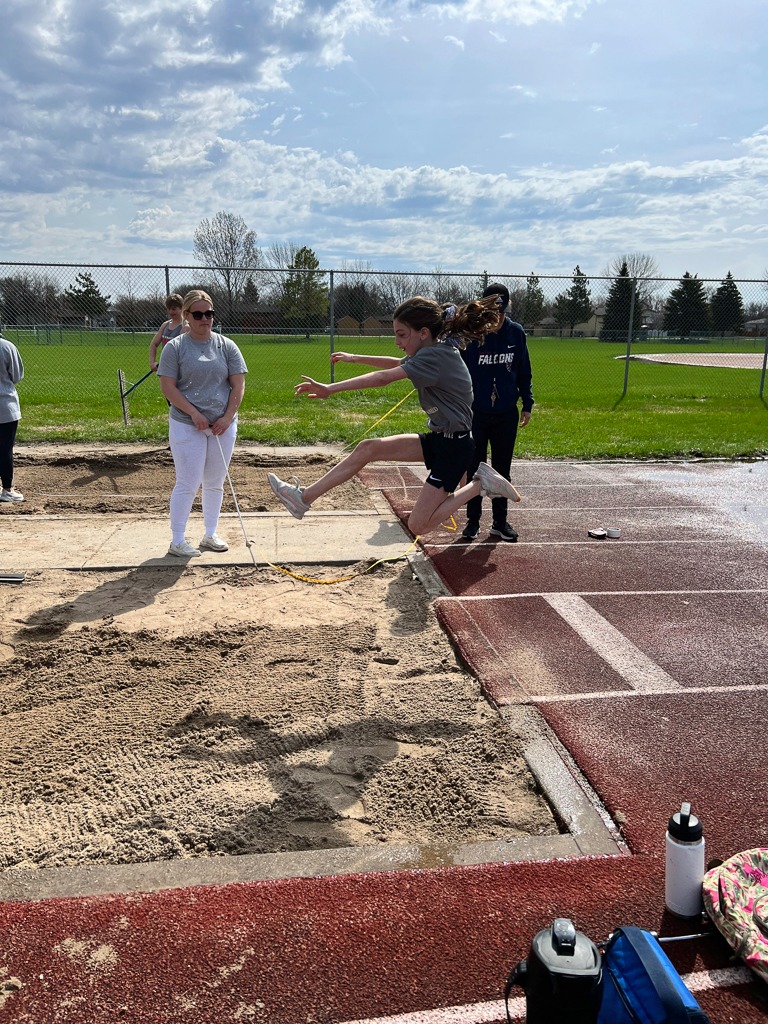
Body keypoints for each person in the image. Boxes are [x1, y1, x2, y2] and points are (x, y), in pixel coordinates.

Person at [267, 295, 520, 537]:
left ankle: (480, 484)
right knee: (368, 449)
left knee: (418, 524)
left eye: (402, 334)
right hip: (442, 439)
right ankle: (302, 499)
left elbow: (383, 379)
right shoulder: (431, 351)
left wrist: (329, 389)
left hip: (454, 447)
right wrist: (354, 358)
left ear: (423, 333)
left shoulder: (434, 356)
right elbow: (396, 363)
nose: (397, 341)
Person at [157, 290, 247, 558]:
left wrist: (228, 416)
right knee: (188, 481)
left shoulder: (227, 346)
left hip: (222, 425)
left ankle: (210, 533)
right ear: (186, 316)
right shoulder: (175, 348)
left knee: (215, 481)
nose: (205, 319)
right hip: (187, 424)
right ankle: (177, 539)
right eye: (198, 314)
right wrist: (194, 414)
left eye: (209, 313)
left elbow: (238, 384)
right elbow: (168, 387)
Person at [460, 282, 533, 542]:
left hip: (505, 412)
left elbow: (523, 370)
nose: (497, 319)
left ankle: (500, 522)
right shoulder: (471, 335)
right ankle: (472, 521)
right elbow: (459, 372)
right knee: (474, 467)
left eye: (501, 312)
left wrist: (527, 402)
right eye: (492, 312)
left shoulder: (516, 333)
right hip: (476, 412)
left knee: (502, 469)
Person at [0, 332, 24, 503]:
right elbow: (17, 376)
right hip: (5, 406)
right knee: (5, 449)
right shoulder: (7, 347)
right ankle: (7, 490)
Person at [149, 294, 186, 373]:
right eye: (168, 309)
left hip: (179, 371)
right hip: (165, 369)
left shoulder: (185, 327)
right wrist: (152, 362)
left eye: (174, 309)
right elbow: (154, 344)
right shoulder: (165, 325)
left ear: (182, 308)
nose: (170, 312)